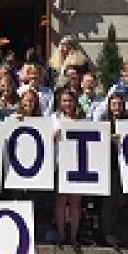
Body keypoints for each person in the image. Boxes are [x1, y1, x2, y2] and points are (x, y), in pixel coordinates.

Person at [53, 89, 85, 246]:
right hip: (60, 162)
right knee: (61, 201)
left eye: (70, 101)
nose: (67, 104)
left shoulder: (83, 120)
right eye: (64, 100)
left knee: (75, 202)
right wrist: (53, 136)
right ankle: (60, 234)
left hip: (78, 164)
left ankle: (73, 236)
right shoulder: (54, 118)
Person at [101, 93, 128, 248]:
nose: (116, 107)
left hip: (125, 166)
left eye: (119, 104)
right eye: (114, 104)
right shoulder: (104, 122)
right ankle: (107, 232)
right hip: (109, 165)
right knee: (109, 201)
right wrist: (108, 138)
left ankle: (113, 230)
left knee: (120, 200)